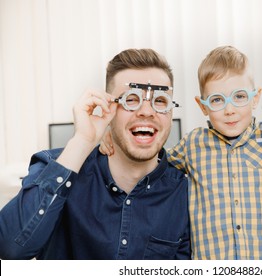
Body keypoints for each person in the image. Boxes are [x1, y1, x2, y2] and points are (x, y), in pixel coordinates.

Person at [100, 46, 262, 259]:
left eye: (239, 97)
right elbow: (150, 156)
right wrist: (110, 134)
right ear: (203, 106)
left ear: (255, 98)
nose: (229, 110)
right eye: (217, 100)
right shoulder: (193, 145)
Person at [0, 48, 191, 260]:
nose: (146, 111)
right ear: (108, 105)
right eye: (131, 99)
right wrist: (83, 141)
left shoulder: (185, 191)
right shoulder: (55, 167)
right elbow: (10, 249)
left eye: (161, 101)